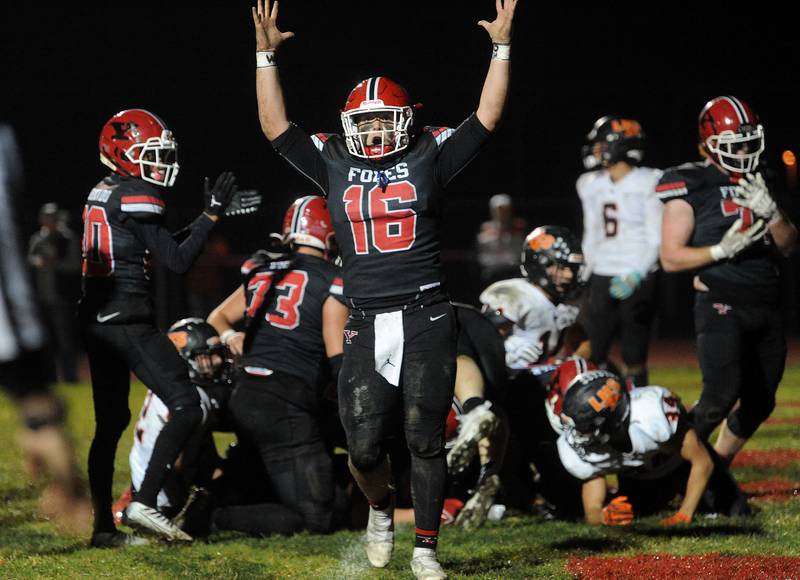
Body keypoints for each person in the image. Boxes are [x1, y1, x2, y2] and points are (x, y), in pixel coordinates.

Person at [250, 0, 516, 576]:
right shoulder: (333, 159)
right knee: (365, 446)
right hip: (366, 318)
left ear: (405, 119)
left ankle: (424, 548)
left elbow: (487, 116)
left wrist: (501, 46)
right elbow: (276, 127)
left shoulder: (431, 152)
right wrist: (265, 55)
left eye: (381, 119)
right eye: (363, 121)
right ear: (350, 125)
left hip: (425, 311)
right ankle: (377, 507)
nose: (372, 129)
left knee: (424, 437)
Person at [79, 108, 238, 546]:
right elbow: (177, 260)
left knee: (110, 425)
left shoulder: (104, 191)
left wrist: (206, 218)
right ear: (122, 151)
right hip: (128, 317)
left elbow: (156, 244)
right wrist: (212, 217)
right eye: (151, 153)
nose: (160, 163)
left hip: (96, 321)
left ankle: (101, 529)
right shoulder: (139, 196)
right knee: (187, 404)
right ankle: (143, 502)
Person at [658, 96, 798, 463]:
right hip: (721, 299)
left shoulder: (764, 175)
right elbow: (671, 257)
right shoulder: (688, 180)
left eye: (750, 142)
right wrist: (720, 251)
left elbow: (789, 246)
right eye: (735, 145)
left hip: (767, 301)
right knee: (719, 395)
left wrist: (773, 215)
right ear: (709, 144)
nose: (746, 152)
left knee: (761, 399)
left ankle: (716, 465)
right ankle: (663, 471)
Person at [207, 195, 349, 536]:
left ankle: (220, 498)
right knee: (318, 518)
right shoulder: (333, 279)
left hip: (245, 395)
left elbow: (217, 317)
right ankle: (211, 520)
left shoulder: (263, 271)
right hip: (285, 403)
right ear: (328, 234)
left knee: (273, 480)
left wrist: (230, 337)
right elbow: (338, 362)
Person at [0, 124, 91, 534]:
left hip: (25, 307)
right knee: (41, 414)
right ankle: (75, 501)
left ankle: (71, 496)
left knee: (41, 414)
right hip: (11, 314)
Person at [557, 368, 749, 525]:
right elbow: (592, 510)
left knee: (736, 512)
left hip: (682, 468)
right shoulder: (584, 448)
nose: (578, 435)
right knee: (637, 514)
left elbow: (702, 462)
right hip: (641, 482)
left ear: (610, 421)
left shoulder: (650, 415)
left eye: (585, 426)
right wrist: (603, 517)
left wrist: (684, 514)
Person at [113, 318, 234, 529]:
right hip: (165, 501)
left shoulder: (171, 390)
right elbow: (175, 462)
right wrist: (185, 505)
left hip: (144, 478)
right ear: (184, 360)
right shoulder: (193, 400)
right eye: (206, 356)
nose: (217, 361)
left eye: (217, 353)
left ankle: (132, 498)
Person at [577, 116, 663, 386]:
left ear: (620, 145)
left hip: (635, 273)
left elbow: (655, 237)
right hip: (602, 272)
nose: (597, 150)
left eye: (602, 144)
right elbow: (591, 234)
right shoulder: (589, 184)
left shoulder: (649, 180)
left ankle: (639, 410)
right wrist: (584, 273)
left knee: (634, 353)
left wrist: (638, 273)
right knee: (594, 348)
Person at [479, 225, 586, 371]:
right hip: (503, 378)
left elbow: (581, 342)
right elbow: (481, 342)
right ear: (540, 263)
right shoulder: (515, 295)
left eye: (572, 268)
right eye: (562, 267)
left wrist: (572, 362)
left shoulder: (569, 302)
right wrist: (506, 357)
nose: (569, 275)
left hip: (540, 380)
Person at [28, 202, 82, 383]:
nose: (50, 221)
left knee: (65, 339)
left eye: (53, 218)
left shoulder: (68, 238)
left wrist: (54, 263)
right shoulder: (37, 239)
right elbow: (29, 261)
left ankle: (70, 376)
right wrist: (37, 263)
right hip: (42, 297)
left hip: (63, 297)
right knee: (44, 340)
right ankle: (48, 377)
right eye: (47, 218)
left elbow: (75, 265)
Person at [476, 193, 528, 285]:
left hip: (513, 272)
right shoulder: (485, 229)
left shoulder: (519, 228)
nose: (501, 214)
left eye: (505, 210)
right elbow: (482, 256)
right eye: (498, 211)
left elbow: (520, 254)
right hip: (492, 273)